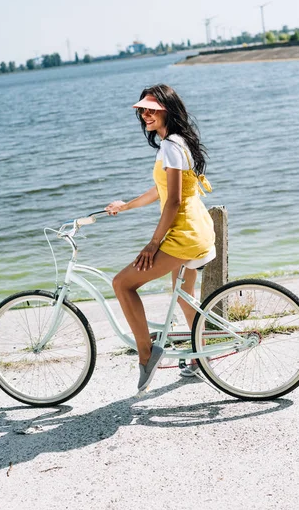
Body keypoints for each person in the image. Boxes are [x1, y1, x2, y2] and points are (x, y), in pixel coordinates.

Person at [105, 84, 215, 392]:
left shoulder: (170, 146)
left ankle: (146, 353)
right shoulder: (180, 141)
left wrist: (153, 243)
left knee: (122, 284)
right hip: (199, 227)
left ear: (167, 109)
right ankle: (199, 357)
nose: (146, 115)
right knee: (184, 295)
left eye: (152, 109)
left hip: (184, 234)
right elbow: (161, 192)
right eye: (143, 110)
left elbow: (173, 202)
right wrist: (125, 205)